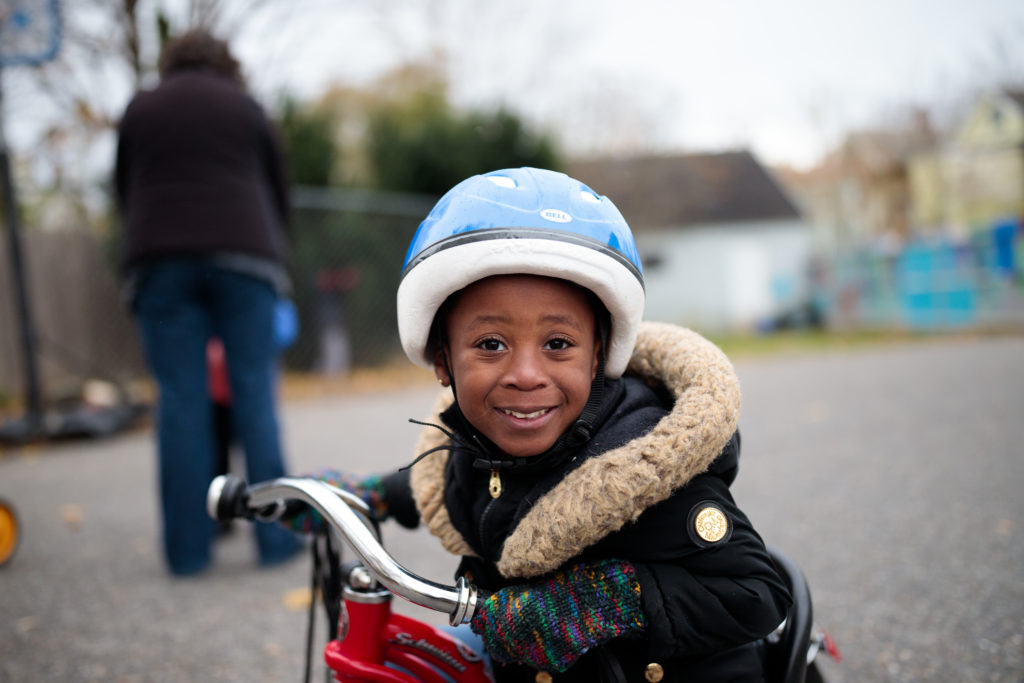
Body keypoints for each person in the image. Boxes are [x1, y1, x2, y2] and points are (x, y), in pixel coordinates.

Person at [292, 167, 791, 681]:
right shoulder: (475, 441)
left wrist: (606, 601)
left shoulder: (646, 469)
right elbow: (447, 480)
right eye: (491, 344)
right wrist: (367, 494)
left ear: (597, 356)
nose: (526, 375)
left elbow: (758, 592)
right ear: (443, 361)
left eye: (557, 344)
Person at [114, 29, 301, 575]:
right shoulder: (247, 108)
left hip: (160, 259)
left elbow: (125, 188)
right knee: (254, 396)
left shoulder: (140, 109)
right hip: (245, 257)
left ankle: (187, 552)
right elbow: (278, 191)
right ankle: (276, 542)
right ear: (226, 63)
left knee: (179, 402)